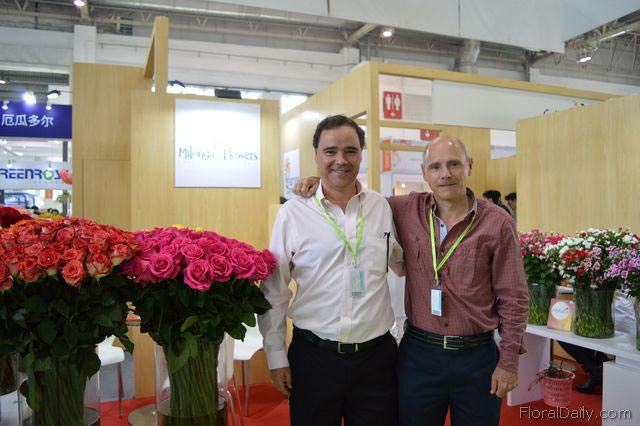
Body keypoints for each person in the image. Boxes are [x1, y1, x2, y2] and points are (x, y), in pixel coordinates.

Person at [294, 135, 529, 426]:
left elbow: (514, 297)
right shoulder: (405, 209)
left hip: (477, 358)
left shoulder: (497, 222)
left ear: (469, 166)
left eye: (454, 164)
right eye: (436, 167)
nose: (445, 174)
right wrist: (324, 182)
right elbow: (358, 200)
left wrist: (508, 361)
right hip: (419, 357)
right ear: (424, 173)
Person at [258, 114, 403, 426]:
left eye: (350, 151)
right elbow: (274, 290)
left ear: (361, 154)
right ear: (316, 155)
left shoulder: (381, 207)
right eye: (330, 151)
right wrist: (275, 355)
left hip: (376, 360)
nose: (341, 160)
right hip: (314, 359)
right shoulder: (293, 212)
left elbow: (402, 265)